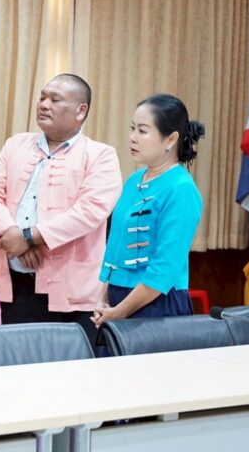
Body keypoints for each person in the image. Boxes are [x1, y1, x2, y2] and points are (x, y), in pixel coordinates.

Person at [0, 74, 122, 342]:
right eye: (42, 97)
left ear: (81, 111)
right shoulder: (16, 144)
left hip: (73, 291)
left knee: (69, 364)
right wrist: (13, 236)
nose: (44, 104)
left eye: (55, 100)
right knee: (18, 360)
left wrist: (29, 237)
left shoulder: (101, 155)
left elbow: (89, 211)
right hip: (18, 281)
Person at [92, 94, 205, 327]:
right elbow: (116, 246)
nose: (132, 137)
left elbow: (166, 267)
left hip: (157, 304)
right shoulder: (134, 180)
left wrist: (120, 311)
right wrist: (103, 297)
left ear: (170, 139)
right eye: (132, 128)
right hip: (117, 300)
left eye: (142, 131)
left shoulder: (181, 189)